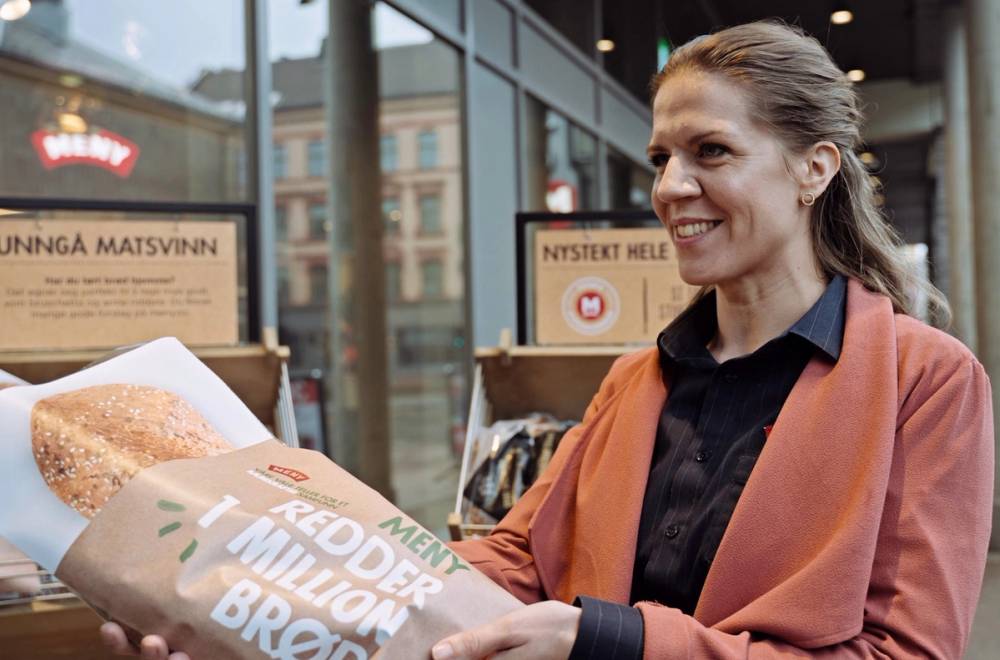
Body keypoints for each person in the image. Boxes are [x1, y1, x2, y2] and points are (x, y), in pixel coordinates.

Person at [102, 20, 993, 660]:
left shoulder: (926, 382)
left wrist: (612, 641)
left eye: (710, 151)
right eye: (660, 159)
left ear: (814, 167)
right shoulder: (636, 379)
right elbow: (520, 558)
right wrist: (267, 598)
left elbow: (903, 652)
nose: (671, 187)